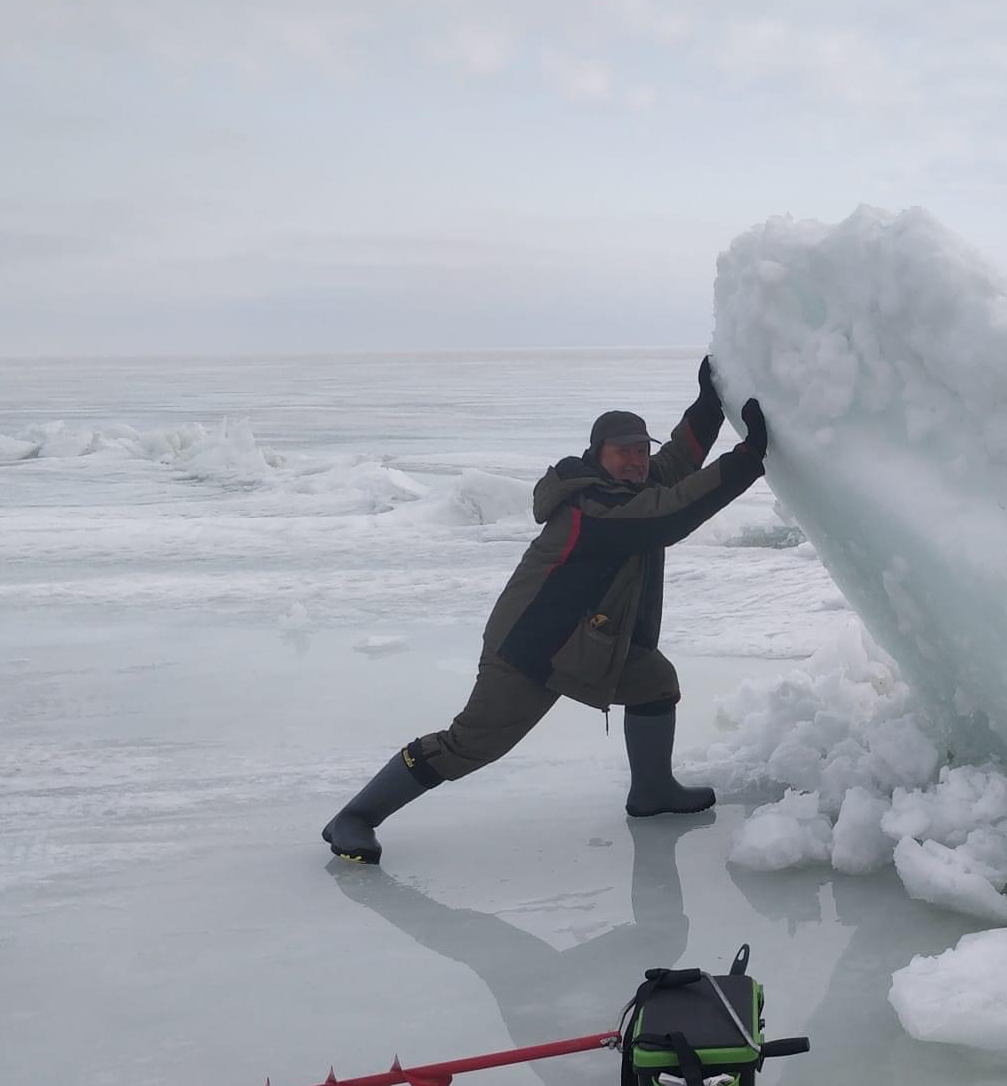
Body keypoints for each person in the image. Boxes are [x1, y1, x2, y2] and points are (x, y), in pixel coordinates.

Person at [322, 357, 768, 863]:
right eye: (623, 452)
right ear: (597, 455)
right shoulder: (592, 508)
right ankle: (355, 817)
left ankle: (653, 792)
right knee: (469, 745)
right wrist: (750, 455)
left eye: (642, 451)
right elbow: (670, 512)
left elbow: (677, 466)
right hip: (530, 649)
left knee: (654, 681)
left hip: (587, 644)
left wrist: (709, 403)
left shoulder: (628, 487)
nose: (636, 461)